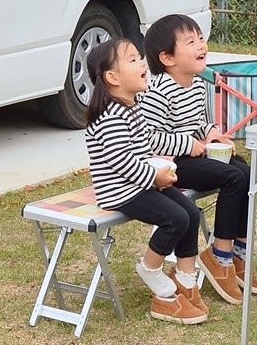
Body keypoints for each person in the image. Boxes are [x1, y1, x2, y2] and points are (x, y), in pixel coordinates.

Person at [137, 13, 257, 303]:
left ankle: (238, 251)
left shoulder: (195, 85)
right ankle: (219, 255)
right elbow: (148, 137)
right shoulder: (159, 92)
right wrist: (190, 144)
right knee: (232, 176)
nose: (200, 45)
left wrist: (213, 133)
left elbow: (198, 123)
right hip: (170, 163)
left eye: (201, 38)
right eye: (190, 41)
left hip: (193, 153)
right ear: (167, 58)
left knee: (244, 168)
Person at [82, 36, 208, 324]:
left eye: (140, 57)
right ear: (113, 78)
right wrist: (155, 176)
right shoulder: (111, 115)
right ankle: (150, 268)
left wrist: (163, 166)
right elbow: (121, 161)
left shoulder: (131, 106)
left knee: (189, 211)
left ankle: (186, 280)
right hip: (121, 190)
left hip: (142, 182)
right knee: (175, 218)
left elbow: (145, 145)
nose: (142, 63)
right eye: (133, 59)